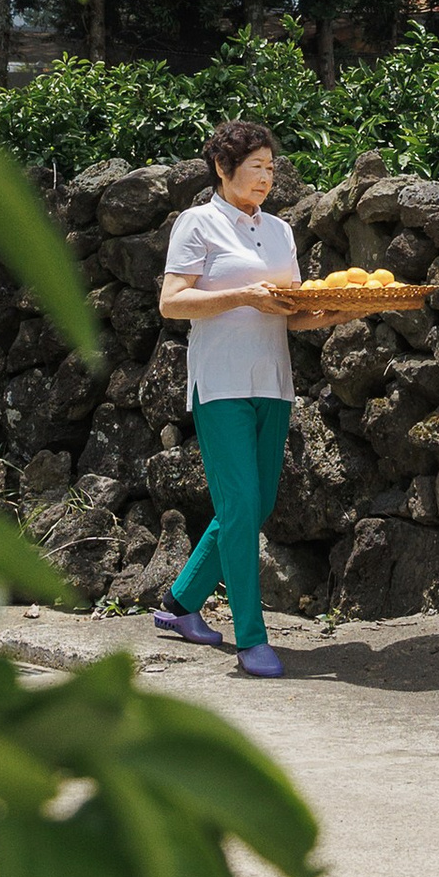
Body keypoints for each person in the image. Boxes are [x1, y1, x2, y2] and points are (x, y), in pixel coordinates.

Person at [153, 118, 298, 677]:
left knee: (254, 506)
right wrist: (243, 294)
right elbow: (172, 302)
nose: (266, 177)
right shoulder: (198, 223)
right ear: (222, 167)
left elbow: (288, 308)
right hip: (220, 383)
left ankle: (181, 603)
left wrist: (337, 310)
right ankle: (251, 641)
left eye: (270, 167)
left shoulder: (281, 232)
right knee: (239, 506)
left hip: (274, 380)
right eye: (256, 166)